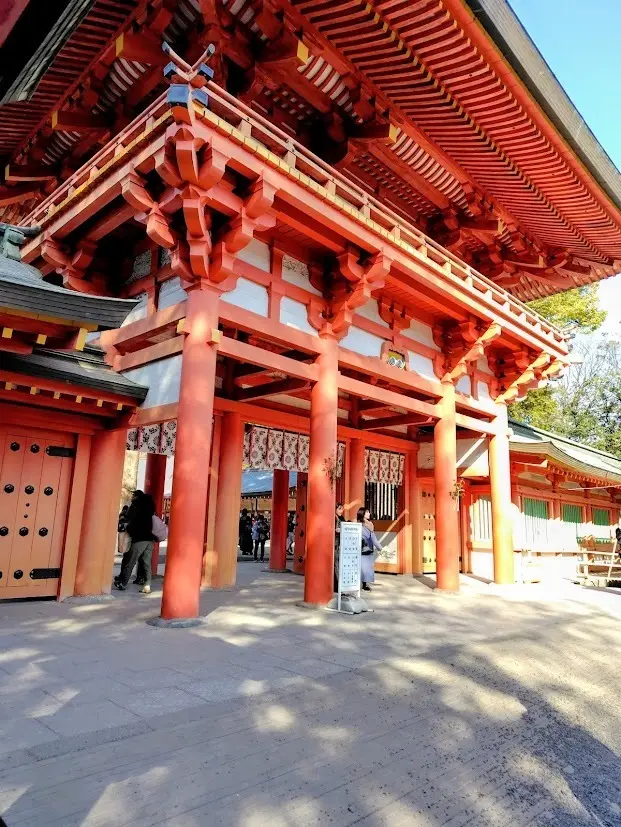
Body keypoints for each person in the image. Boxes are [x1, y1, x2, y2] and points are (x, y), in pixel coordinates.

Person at [114, 492, 158, 594]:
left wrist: (126, 523)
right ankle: (147, 584)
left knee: (130, 561)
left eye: (133, 495)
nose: (131, 497)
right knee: (146, 563)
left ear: (136, 497)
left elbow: (130, 521)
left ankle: (123, 582)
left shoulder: (136, 507)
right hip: (150, 539)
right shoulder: (150, 509)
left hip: (139, 539)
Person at [357, 506, 381, 592]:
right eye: (367, 512)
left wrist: (380, 548)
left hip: (367, 548)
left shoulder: (369, 524)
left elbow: (373, 539)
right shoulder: (358, 524)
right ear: (362, 514)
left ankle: (364, 584)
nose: (369, 514)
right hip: (361, 548)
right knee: (362, 567)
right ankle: (361, 584)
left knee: (365, 567)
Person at [334, 503, 345, 591]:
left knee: (339, 564)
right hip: (335, 544)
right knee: (336, 564)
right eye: (340, 509)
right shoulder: (333, 518)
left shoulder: (341, 518)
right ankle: (337, 585)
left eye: (342, 509)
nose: (342, 511)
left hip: (340, 543)